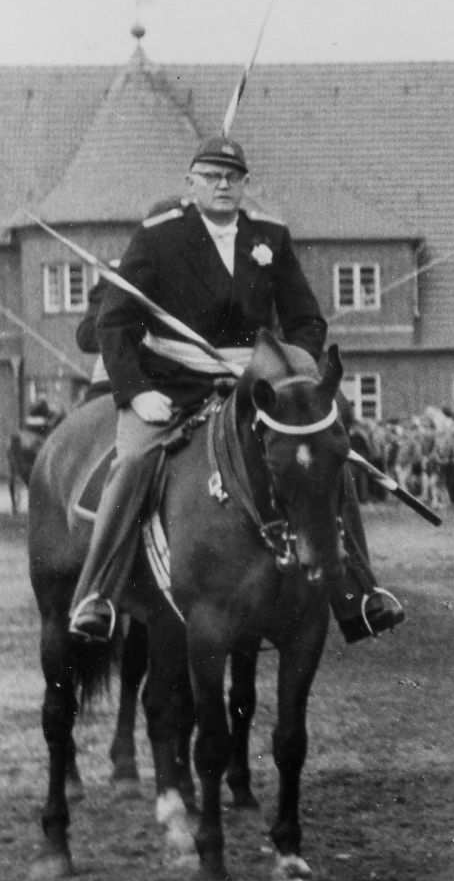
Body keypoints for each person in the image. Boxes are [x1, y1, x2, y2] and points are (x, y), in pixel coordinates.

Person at [69, 136, 405, 644]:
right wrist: (136, 392)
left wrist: (293, 372)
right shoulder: (158, 236)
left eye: (233, 176)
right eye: (211, 175)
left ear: (245, 184)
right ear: (191, 184)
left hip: (256, 387)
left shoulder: (270, 235)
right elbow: (114, 322)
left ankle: (357, 592)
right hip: (171, 385)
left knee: (328, 449)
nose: (223, 184)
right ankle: (96, 595)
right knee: (133, 461)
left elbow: (306, 319)